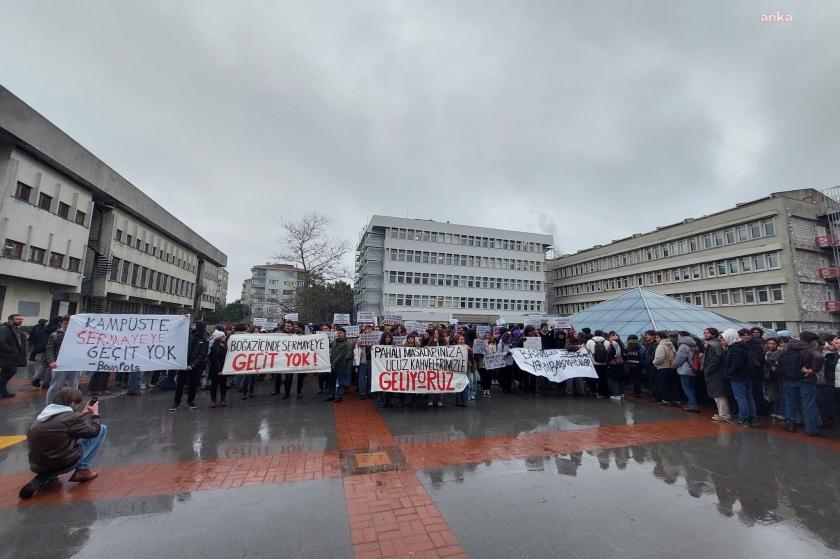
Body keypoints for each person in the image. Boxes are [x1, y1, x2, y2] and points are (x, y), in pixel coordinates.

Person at [19, 387, 108, 500]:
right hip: (61, 461)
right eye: (76, 404)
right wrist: (95, 415)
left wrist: (81, 415)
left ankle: (49, 474)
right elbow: (93, 431)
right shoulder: (70, 418)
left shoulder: (43, 415)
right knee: (101, 429)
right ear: (71, 403)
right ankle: (83, 470)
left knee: (58, 442)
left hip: (37, 463)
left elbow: (62, 427)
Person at [778, 331, 823, 436]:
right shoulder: (810, 349)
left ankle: (791, 424)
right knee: (808, 404)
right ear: (812, 340)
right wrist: (812, 370)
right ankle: (811, 429)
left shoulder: (789, 347)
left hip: (789, 379)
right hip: (806, 380)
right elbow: (819, 358)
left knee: (790, 402)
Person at [169, 321, 209, 411]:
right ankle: (176, 402)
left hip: (195, 366)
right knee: (180, 384)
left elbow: (202, 354)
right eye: (192, 325)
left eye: (195, 325)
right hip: (183, 364)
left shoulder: (205, 339)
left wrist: (193, 365)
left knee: (193, 385)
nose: (192, 326)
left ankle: (190, 401)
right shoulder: (188, 335)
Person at [721, 328, 757, 427]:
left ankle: (743, 418)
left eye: (724, 339)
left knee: (741, 397)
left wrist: (728, 373)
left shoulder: (735, 348)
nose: (723, 341)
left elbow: (736, 364)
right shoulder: (744, 346)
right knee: (748, 396)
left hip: (738, 376)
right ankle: (751, 416)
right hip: (747, 375)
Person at [45, 316, 81, 405]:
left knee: (74, 387)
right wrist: (52, 361)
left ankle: (71, 406)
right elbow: (49, 349)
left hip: (74, 365)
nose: (67, 325)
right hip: (59, 365)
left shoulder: (79, 335)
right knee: (55, 387)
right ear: (62, 323)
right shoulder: (55, 334)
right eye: (65, 323)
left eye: (70, 323)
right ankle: (49, 405)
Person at [702, 328, 730, 422]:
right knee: (717, 395)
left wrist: (707, 370)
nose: (705, 334)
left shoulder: (714, 346)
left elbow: (715, 360)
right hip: (715, 373)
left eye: (708, 333)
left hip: (716, 374)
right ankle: (722, 413)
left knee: (719, 395)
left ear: (713, 335)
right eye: (705, 333)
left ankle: (724, 414)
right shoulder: (714, 345)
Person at [1, 313, 27, 398]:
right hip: (7, 356)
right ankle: (3, 390)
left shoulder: (17, 330)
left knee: (8, 372)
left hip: (13, 356)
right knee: (10, 371)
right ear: (11, 320)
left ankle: (3, 391)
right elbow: (1, 342)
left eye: (21, 319)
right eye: (17, 319)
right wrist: (11, 351)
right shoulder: (5, 328)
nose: (20, 321)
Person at [673, 333, 700, 412]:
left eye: (678, 336)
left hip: (684, 370)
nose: (678, 337)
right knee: (691, 387)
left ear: (681, 337)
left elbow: (679, 359)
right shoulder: (694, 345)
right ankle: (692, 403)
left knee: (686, 387)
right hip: (693, 369)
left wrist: (674, 365)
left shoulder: (683, 346)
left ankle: (693, 405)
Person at [652, 331, 678, 405]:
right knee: (671, 385)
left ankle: (665, 400)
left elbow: (659, 358)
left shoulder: (661, 346)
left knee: (663, 385)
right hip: (671, 367)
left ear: (661, 338)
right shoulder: (671, 345)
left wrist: (654, 363)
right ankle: (673, 399)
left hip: (663, 367)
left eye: (657, 337)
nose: (656, 339)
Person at [327, 327, 351, 403]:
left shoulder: (346, 344)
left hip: (340, 366)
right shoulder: (335, 341)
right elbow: (328, 345)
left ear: (344, 334)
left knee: (341, 381)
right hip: (332, 365)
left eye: (340, 333)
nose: (338, 334)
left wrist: (333, 363)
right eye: (337, 333)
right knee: (331, 381)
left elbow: (341, 356)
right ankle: (331, 395)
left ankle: (338, 396)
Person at [27, 319, 49, 388]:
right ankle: (31, 358)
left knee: (36, 351)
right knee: (35, 351)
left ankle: (32, 358)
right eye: (45, 322)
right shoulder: (40, 327)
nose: (45, 323)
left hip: (38, 342)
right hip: (38, 341)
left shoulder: (40, 327)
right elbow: (34, 334)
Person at [208, 333, 228, 407]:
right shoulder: (214, 346)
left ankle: (223, 399)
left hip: (223, 368)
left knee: (223, 384)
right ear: (218, 337)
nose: (224, 337)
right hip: (216, 369)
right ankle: (213, 400)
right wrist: (219, 370)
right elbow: (215, 359)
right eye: (222, 336)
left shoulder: (225, 345)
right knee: (214, 385)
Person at [606, 331, 625, 400]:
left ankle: (616, 394)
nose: (610, 339)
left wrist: (608, 361)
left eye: (611, 337)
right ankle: (621, 393)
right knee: (620, 379)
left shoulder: (613, 344)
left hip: (614, 364)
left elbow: (611, 355)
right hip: (621, 363)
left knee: (614, 379)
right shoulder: (621, 344)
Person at [478, 331, 496, 396]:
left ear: (490, 336)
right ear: (484, 337)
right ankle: (484, 389)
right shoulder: (480, 343)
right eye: (486, 335)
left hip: (490, 362)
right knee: (483, 376)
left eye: (488, 335)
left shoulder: (493, 343)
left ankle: (488, 389)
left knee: (489, 376)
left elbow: (495, 352)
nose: (487, 336)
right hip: (482, 363)